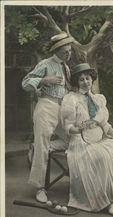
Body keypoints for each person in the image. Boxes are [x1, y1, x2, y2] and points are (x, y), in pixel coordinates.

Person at [61, 63, 113, 217]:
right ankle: (110, 201)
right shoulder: (71, 99)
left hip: (100, 140)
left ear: (92, 79)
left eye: (88, 78)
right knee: (104, 157)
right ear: (76, 82)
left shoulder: (98, 99)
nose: (86, 82)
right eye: (81, 80)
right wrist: (79, 129)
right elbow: (68, 127)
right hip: (81, 143)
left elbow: (104, 125)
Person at [22, 32, 74, 203]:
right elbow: (25, 83)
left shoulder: (66, 67)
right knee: (42, 146)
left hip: (62, 107)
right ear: (57, 50)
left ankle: (37, 147)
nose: (69, 54)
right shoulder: (45, 64)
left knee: (71, 139)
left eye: (70, 51)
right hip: (46, 107)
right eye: (65, 51)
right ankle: (40, 188)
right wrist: (44, 80)